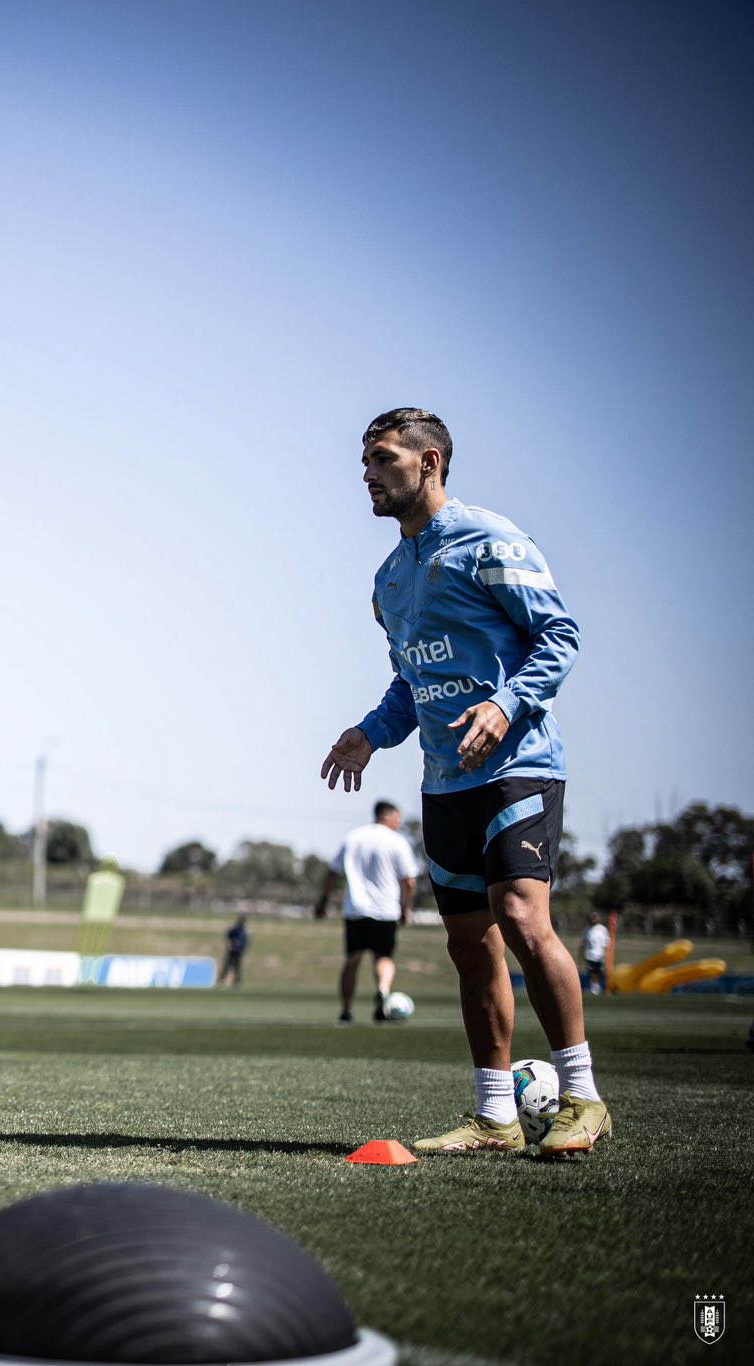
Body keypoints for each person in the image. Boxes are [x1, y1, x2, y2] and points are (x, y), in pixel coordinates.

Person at [320, 408, 607, 1156]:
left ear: (430, 462)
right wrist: (367, 734)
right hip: (443, 784)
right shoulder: (388, 582)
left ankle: (584, 1097)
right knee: (469, 946)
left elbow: (561, 634)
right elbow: (408, 687)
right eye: (366, 460)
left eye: (382, 458)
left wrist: (506, 705)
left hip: (519, 766)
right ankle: (495, 1116)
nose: (368, 473)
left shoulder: (491, 540)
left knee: (521, 915)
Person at [316, 801, 419, 1022]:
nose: (399, 823)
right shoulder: (397, 841)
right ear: (388, 816)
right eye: (398, 818)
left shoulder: (353, 837)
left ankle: (346, 1009)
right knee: (384, 957)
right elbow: (409, 881)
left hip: (355, 908)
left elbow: (333, 872)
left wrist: (323, 901)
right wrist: (406, 907)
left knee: (352, 959)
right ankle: (383, 990)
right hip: (386, 909)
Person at [580, 912, 610, 995]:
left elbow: (606, 943)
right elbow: (584, 942)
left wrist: (606, 954)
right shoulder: (588, 929)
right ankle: (593, 988)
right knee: (592, 972)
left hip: (600, 955)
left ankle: (598, 987)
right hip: (590, 955)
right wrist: (581, 953)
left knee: (599, 972)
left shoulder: (603, 929)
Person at [217, 914, 249, 989]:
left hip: (239, 952)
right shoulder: (234, 929)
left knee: (237, 968)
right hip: (231, 951)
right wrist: (229, 944)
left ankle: (237, 983)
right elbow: (228, 935)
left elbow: (245, 942)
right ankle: (222, 981)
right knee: (227, 966)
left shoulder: (244, 931)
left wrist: (242, 949)